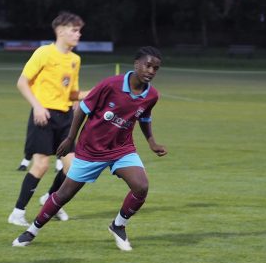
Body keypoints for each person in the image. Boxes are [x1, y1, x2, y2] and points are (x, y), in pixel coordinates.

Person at [12, 46, 167, 251]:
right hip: (91, 150)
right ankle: (31, 231)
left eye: (155, 68)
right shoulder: (111, 85)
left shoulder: (152, 95)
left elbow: (144, 117)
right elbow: (82, 110)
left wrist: (151, 142)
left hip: (122, 149)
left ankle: (118, 226)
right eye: (147, 65)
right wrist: (70, 139)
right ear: (136, 63)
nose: (151, 71)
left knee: (141, 186)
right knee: (63, 195)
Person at [7, 11, 89, 227]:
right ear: (60, 31)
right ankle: (17, 212)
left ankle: (51, 201)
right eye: (74, 30)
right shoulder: (44, 53)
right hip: (43, 115)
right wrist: (37, 107)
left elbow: (72, 93)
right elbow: (22, 82)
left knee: (72, 168)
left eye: (79, 30)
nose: (78, 34)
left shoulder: (75, 59)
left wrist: (91, 94)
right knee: (41, 165)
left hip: (66, 118)